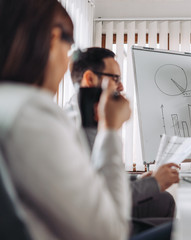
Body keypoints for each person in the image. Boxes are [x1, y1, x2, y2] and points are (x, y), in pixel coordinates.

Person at [0, 0, 172, 239]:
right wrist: (110, 129)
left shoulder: (10, 103)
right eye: (68, 46)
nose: (68, 62)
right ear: (52, 38)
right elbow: (109, 231)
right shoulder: (32, 114)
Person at [66, 47, 179, 227]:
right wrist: (155, 182)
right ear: (90, 78)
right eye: (115, 78)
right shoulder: (78, 125)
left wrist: (140, 180)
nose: (121, 87)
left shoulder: (90, 113)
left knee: (164, 200)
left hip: (101, 208)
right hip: (93, 222)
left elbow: (101, 174)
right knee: (178, 228)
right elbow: (106, 196)